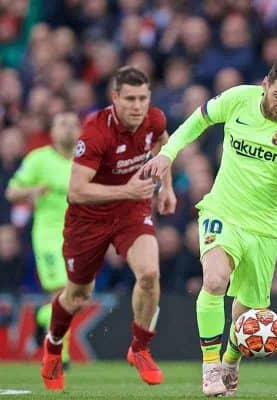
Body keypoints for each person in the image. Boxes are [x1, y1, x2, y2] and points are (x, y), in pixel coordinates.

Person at [142, 58, 277, 397]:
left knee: (248, 310)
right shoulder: (238, 98)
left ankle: (230, 360)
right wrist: (168, 154)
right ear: (267, 84)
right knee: (215, 280)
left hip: (265, 227)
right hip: (222, 211)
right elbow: (197, 121)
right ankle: (210, 369)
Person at [40, 66, 177, 390]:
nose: (137, 106)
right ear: (115, 98)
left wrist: (166, 187)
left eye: (143, 98)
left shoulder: (154, 119)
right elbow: (76, 191)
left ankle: (140, 347)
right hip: (88, 218)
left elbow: (163, 144)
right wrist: (126, 190)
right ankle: (54, 344)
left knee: (149, 274)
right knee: (78, 295)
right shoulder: (95, 133)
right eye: (130, 98)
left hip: (131, 211)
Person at [6, 112, 81, 367]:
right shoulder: (38, 160)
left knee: (76, 295)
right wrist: (32, 191)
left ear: (80, 131)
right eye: (62, 124)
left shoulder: (86, 162)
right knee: (62, 291)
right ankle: (63, 355)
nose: (68, 130)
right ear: (52, 131)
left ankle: (43, 316)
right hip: (48, 235)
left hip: (79, 235)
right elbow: (11, 192)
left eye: (73, 125)